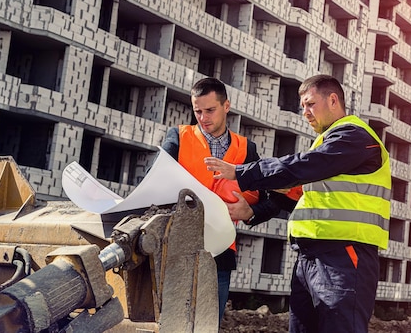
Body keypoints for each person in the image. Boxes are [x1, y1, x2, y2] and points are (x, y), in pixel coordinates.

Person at [204, 74, 391, 333]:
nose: (305, 112)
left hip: (344, 255)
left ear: (333, 100)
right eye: (302, 106)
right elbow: (297, 195)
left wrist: (242, 172)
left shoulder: (355, 137)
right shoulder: (328, 143)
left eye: (310, 104)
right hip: (310, 258)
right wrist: (252, 212)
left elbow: (302, 166)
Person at [161, 77, 281, 322]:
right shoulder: (179, 137)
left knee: (208, 324)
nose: (203, 118)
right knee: (170, 323)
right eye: (198, 111)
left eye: (210, 110)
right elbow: (156, 182)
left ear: (226, 106)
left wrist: (250, 212)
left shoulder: (247, 149)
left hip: (221, 253)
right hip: (176, 249)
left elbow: (273, 198)